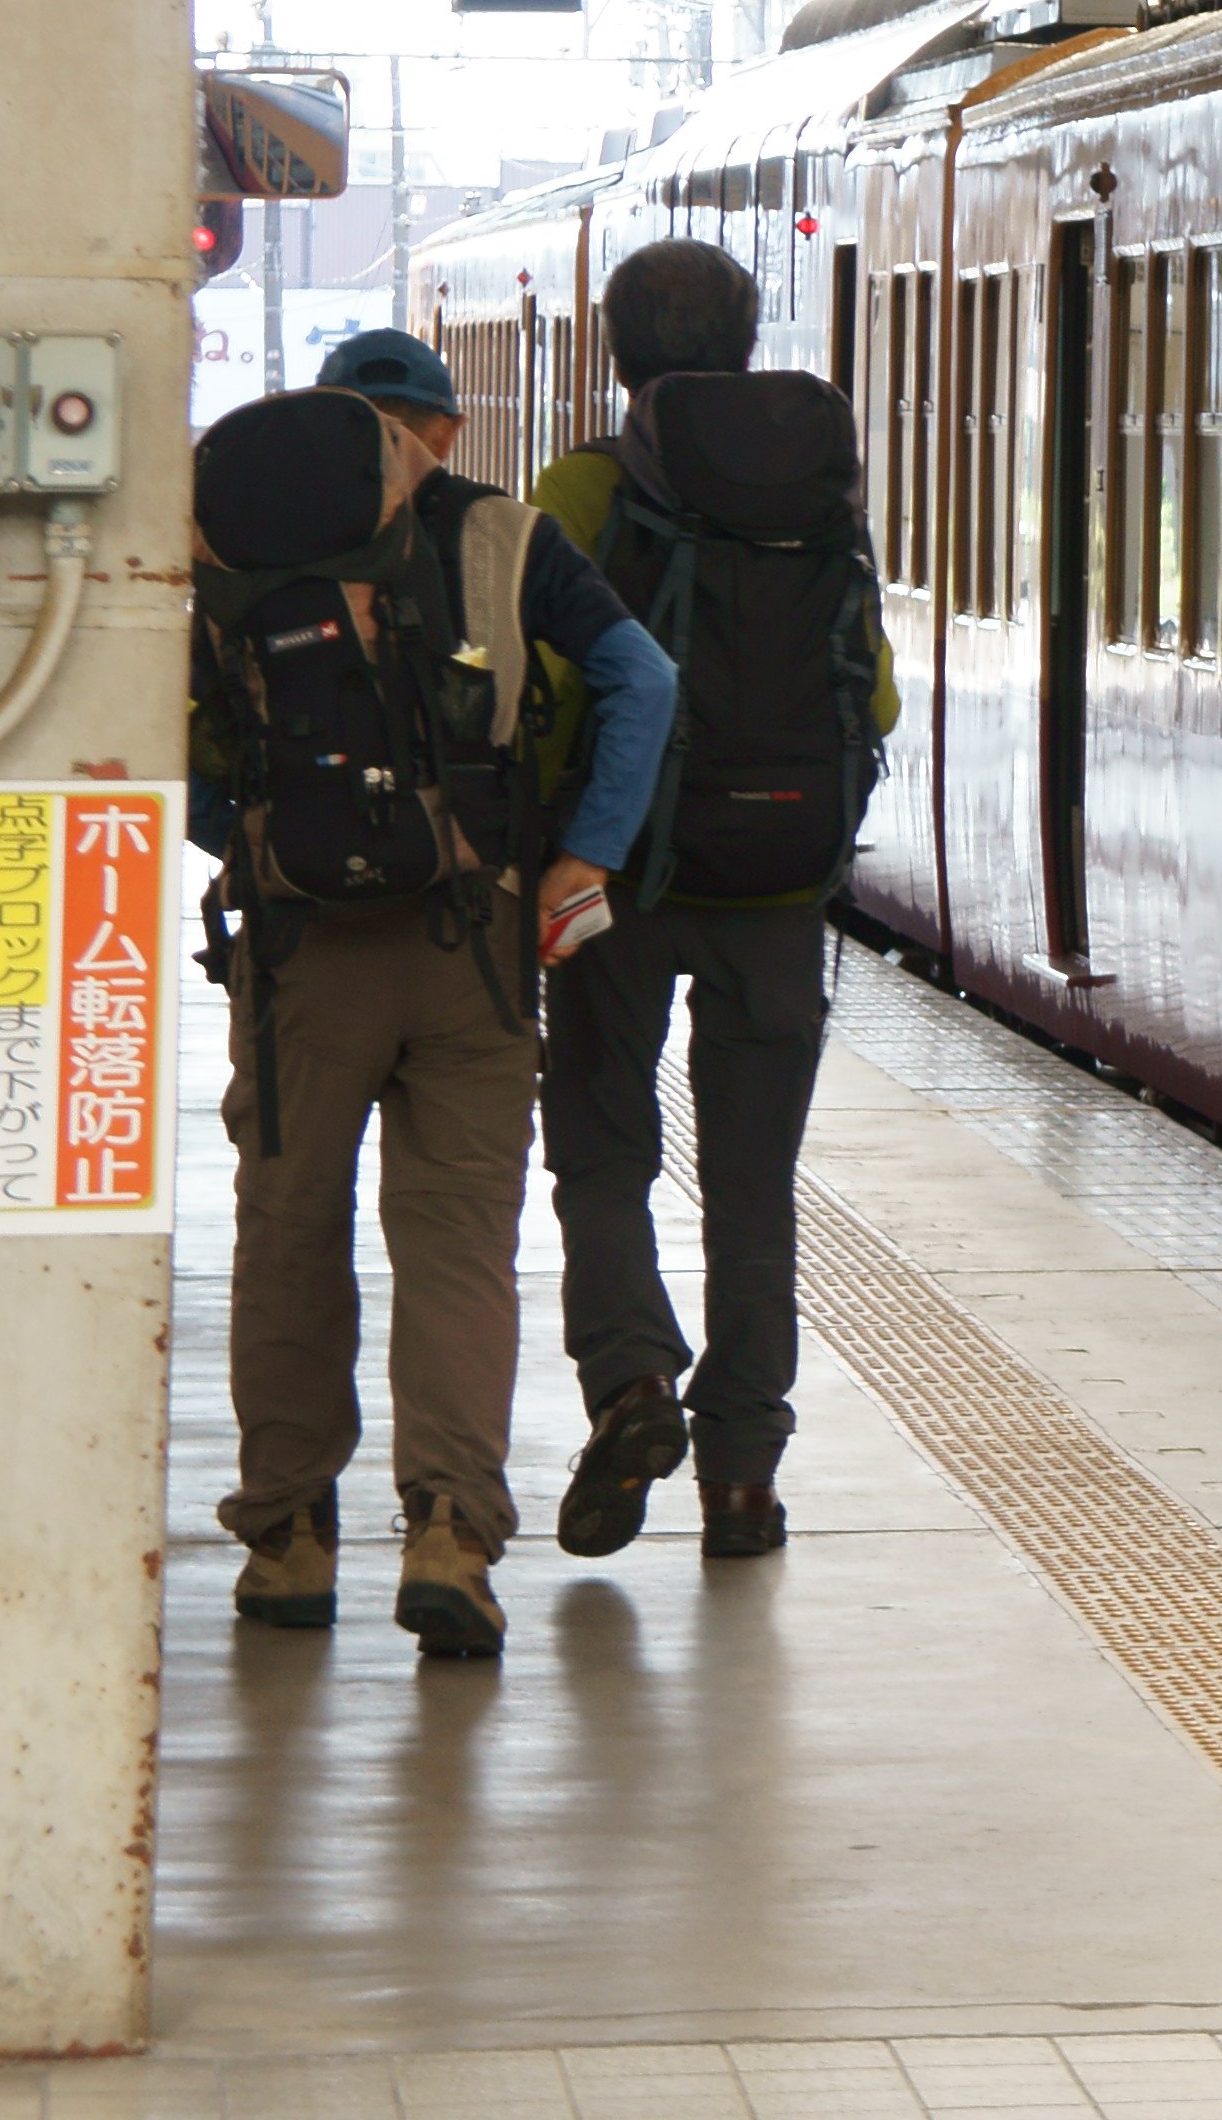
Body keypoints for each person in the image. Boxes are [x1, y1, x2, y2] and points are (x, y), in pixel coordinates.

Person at [191, 372, 672, 1661]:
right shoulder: (505, 537)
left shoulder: (227, 531)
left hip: (300, 959)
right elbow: (643, 679)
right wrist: (586, 856)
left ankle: (288, 1540)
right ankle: (451, 1533)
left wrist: (254, 842)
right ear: (423, 436)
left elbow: (183, 737)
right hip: (478, 940)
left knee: (289, 1230)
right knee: (459, 1243)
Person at [529, 237, 897, 1567]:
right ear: (747, 340)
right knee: (752, 1189)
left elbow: (542, 686)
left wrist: (564, 839)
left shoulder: (584, 487)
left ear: (615, 347)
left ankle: (631, 1379)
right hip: (780, 891)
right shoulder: (819, 484)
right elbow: (874, 695)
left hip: (618, 883)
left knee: (602, 1151)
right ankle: (743, 1478)